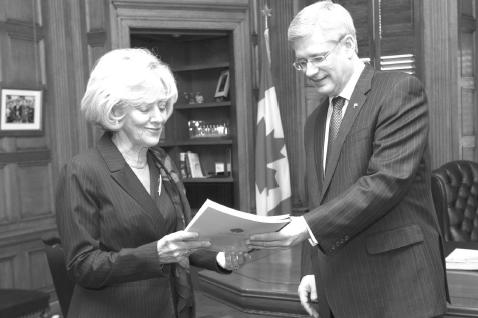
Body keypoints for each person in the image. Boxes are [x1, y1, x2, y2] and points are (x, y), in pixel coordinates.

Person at [248, 2, 449, 318]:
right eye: (302, 63)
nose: (310, 71)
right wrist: (311, 269)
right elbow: (318, 202)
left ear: (349, 45)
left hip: (398, 290)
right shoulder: (315, 120)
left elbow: (385, 182)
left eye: (317, 58)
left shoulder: (398, 91)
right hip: (336, 291)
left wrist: (305, 228)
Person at [56, 48, 247, 318]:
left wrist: (218, 258)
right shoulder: (81, 170)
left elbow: (178, 239)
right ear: (114, 111)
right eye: (145, 108)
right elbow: (82, 266)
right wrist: (154, 254)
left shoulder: (161, 162)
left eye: (162, 106)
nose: (158, 118)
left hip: (168, 307)